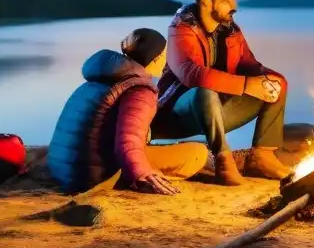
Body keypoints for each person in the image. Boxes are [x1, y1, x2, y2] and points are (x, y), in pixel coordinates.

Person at [150, 0, 290, 186]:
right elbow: (191, 75)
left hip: (219, 113)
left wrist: (265, 79)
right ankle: (223, 161)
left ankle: (263, 156)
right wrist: (245, 85)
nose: (234, 7)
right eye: (227, 1)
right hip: (178, 115)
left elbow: (249, 64)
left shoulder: (231, 30)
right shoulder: (181, 29)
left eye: (234, 0)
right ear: (206, 3)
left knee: (277, 83)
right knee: (204, 93)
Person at [48, 28, 208, 196]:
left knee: (149, 145)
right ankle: (146, 176)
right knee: (198, 153)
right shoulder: (140, 89)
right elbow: (128, 140)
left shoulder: (96, 82)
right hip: (94, 176)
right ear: (156, 57)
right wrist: (142, 174)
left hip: (63, 170)